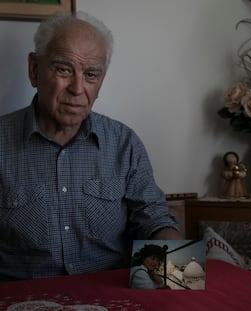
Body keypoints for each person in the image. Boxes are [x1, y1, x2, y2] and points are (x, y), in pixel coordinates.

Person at [0, 11, 183, 281]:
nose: (77, 88)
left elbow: (154, 220)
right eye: (63, 69)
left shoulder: (124, 144)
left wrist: (177, 276)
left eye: (91, 74)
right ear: (34, 70)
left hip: (110, 294)